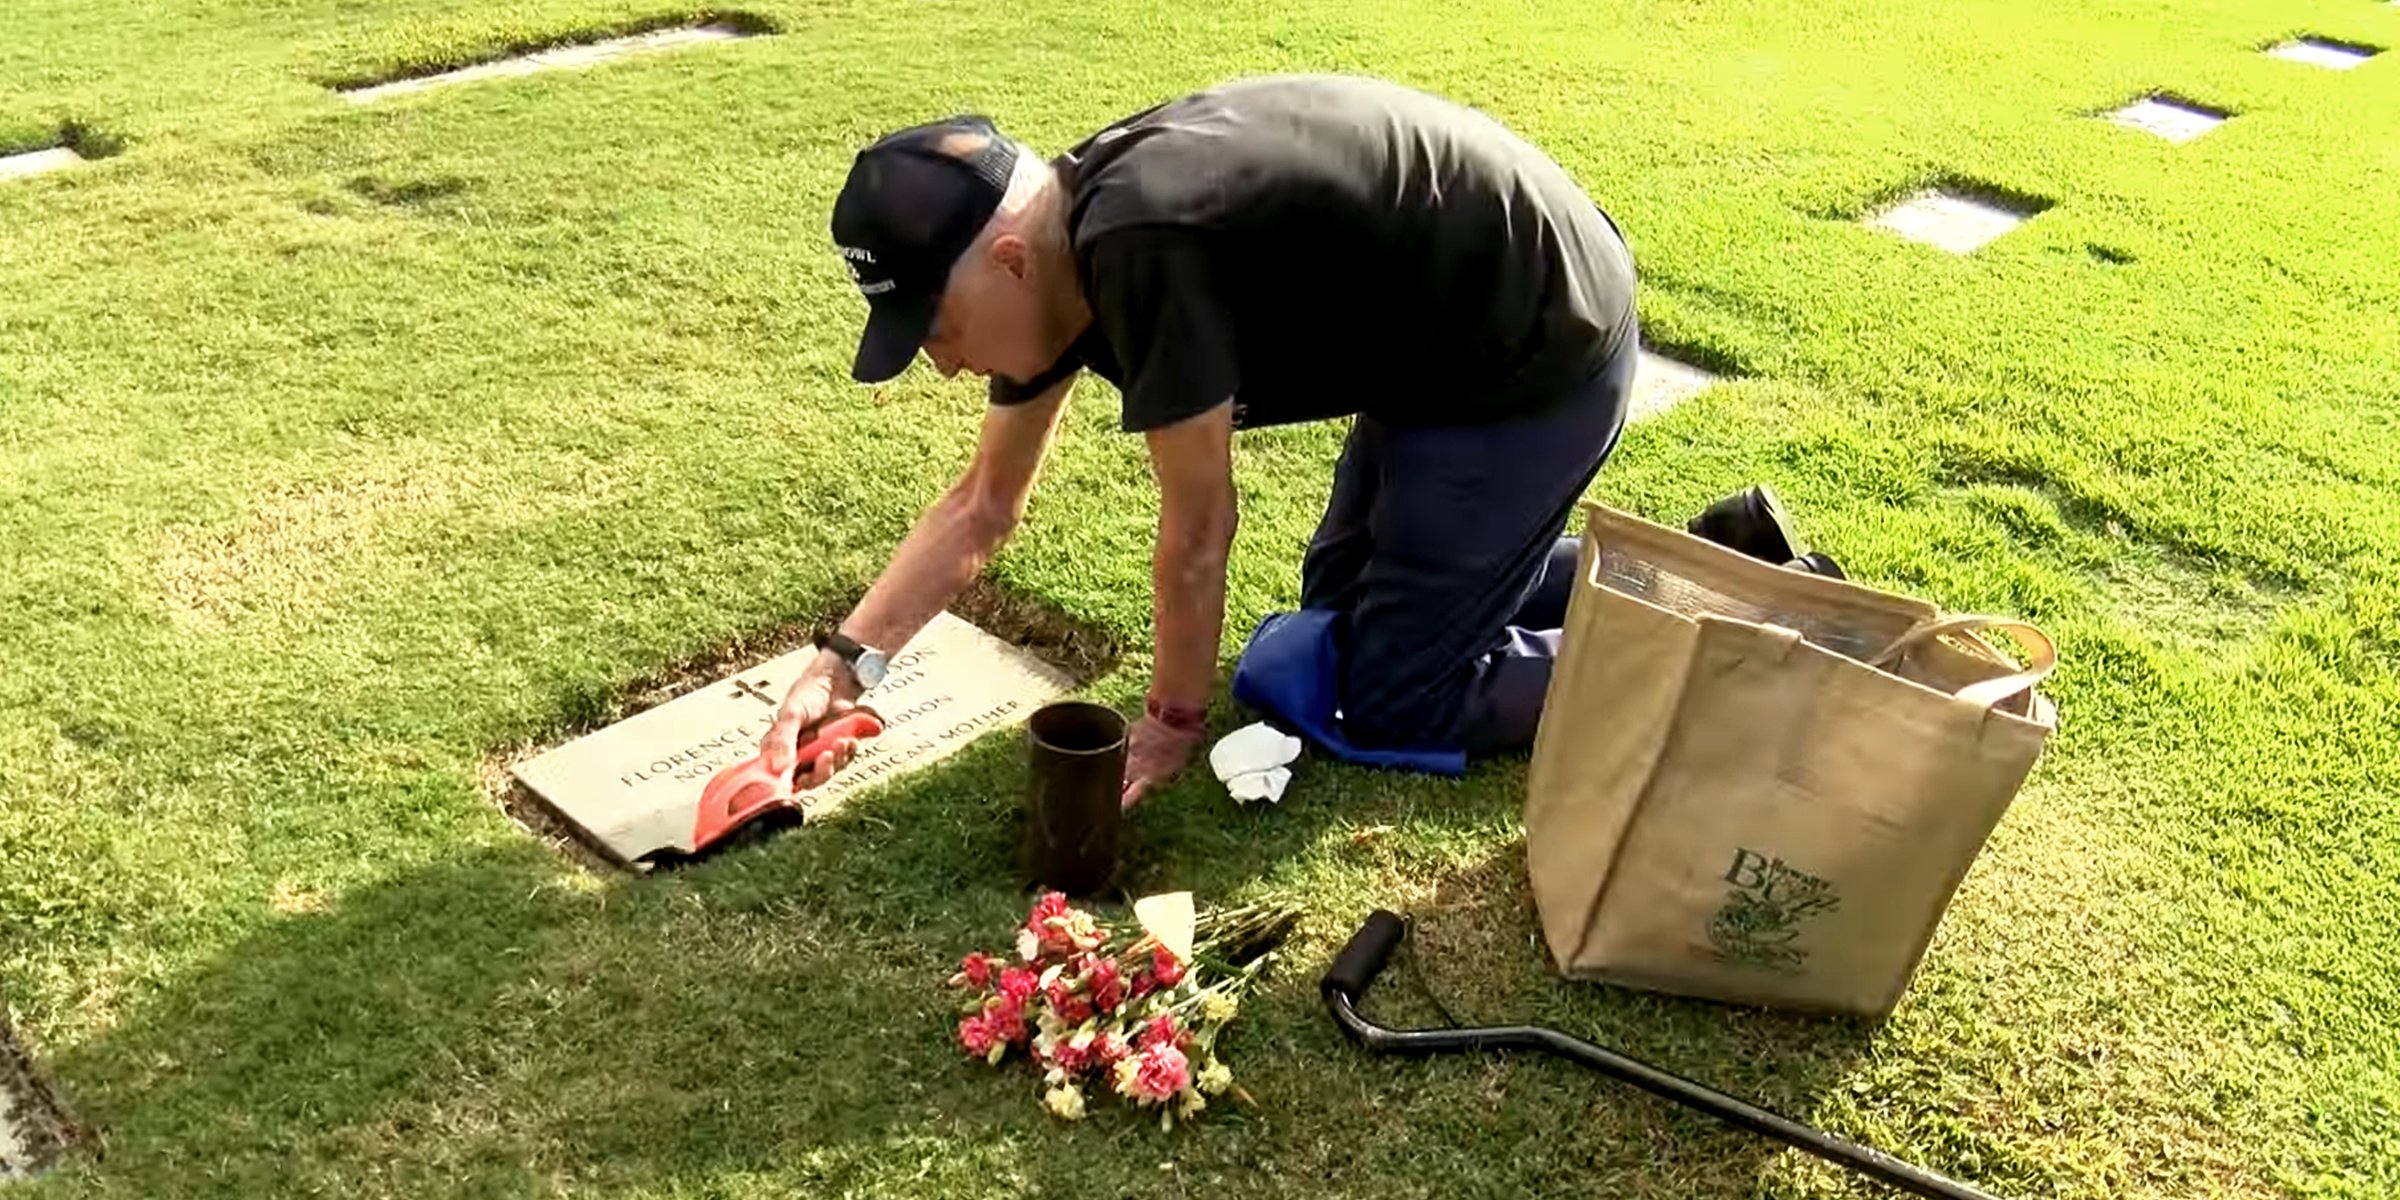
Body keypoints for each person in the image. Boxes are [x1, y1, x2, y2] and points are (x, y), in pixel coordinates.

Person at [763, 74, 1639, 806]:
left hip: (1536, 343)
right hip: (1437, 341)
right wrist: (844, 667)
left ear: (1009, 265)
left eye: (938, 328)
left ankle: (1716, 650)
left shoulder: (1145, 247)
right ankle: (1685, 568)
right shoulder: (1057, 256)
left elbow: (1200, 530)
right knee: (1337, 610)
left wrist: (1173, 721)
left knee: (1395, 699)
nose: (946, 366)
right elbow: (984, 505)